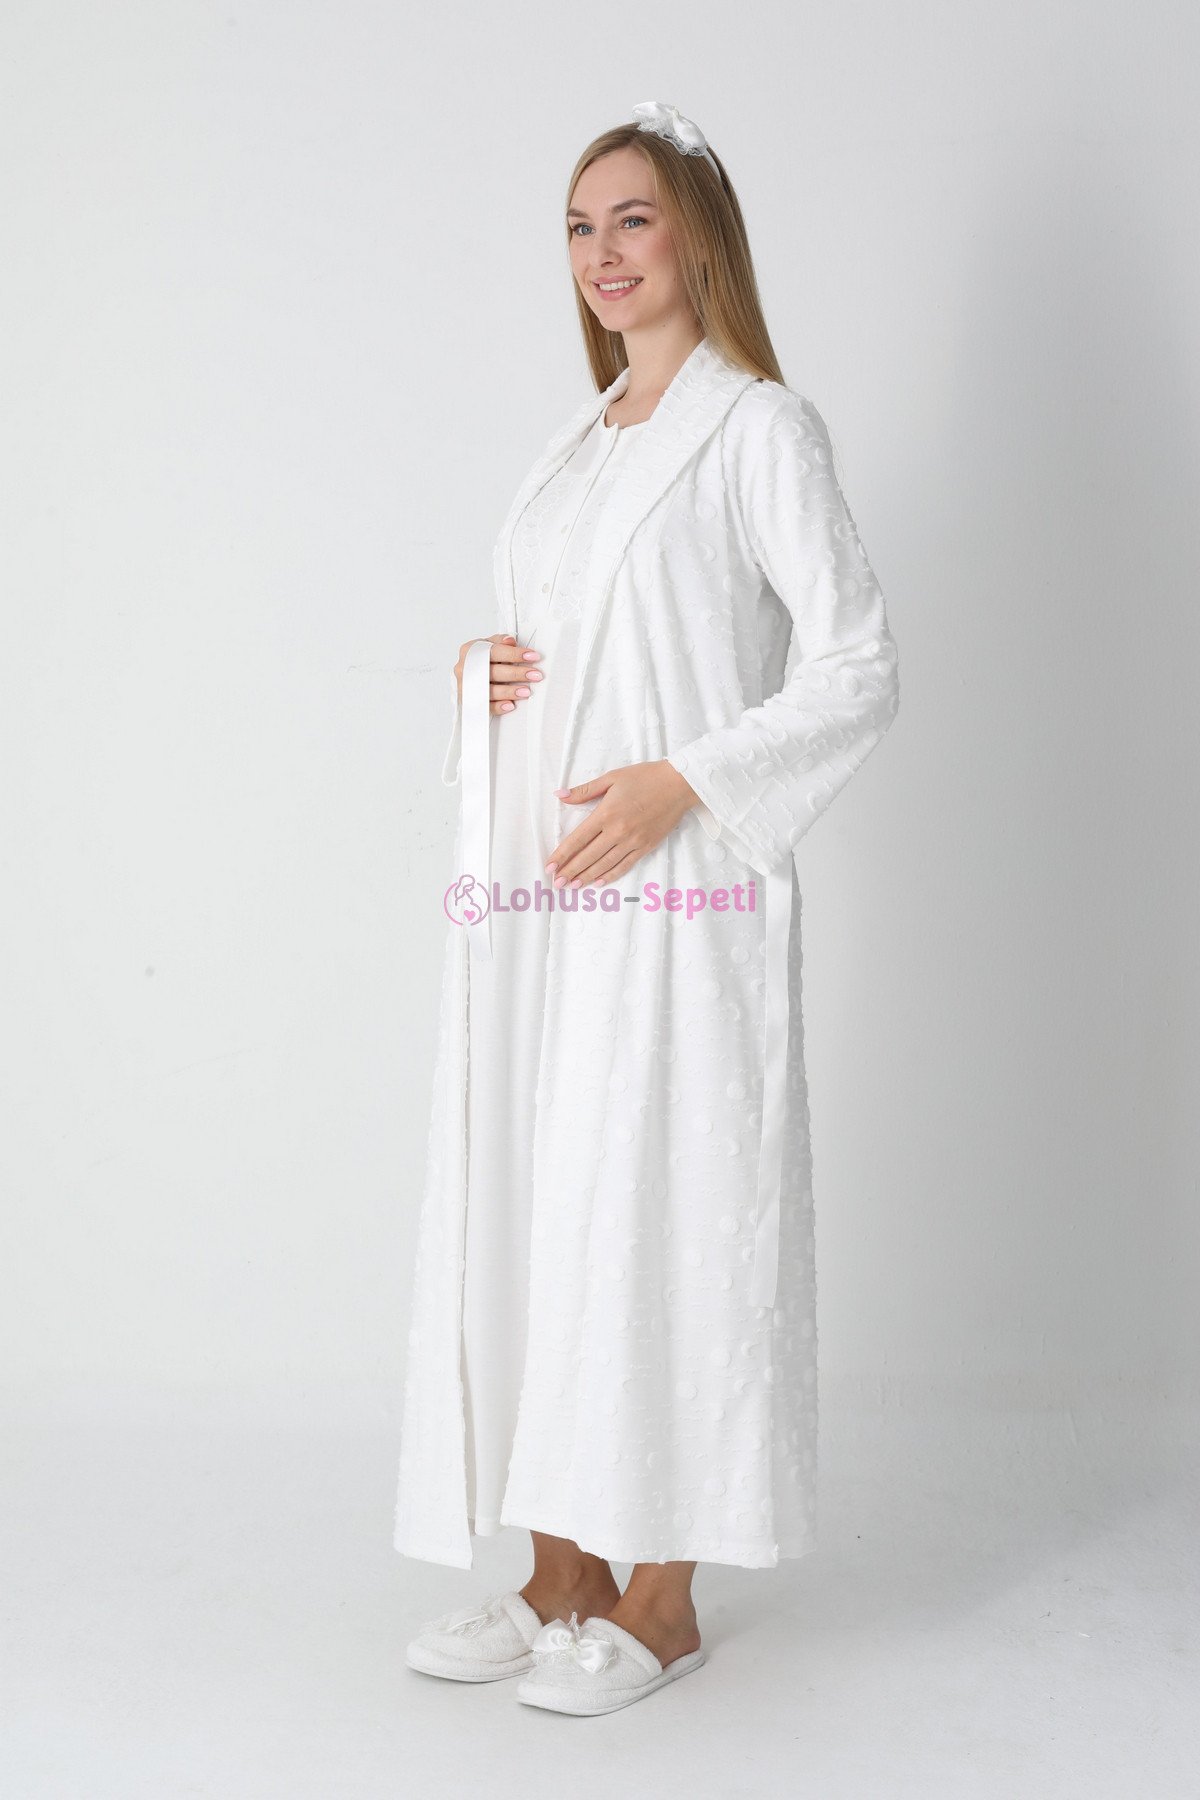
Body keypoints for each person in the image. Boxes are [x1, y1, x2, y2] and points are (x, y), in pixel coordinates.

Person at [395, 100, 900, 1716]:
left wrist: (685, 779)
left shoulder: (760, 430)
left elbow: (856, 667)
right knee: (552, 1203)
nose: (601, 252)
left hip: (681, 900)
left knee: (670, 1204)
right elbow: (569, 641)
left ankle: (664, 1597)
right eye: (577, 225)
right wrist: (482, 676)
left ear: (696, 236)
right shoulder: (583, 441)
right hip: (548, 907)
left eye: (631, 218)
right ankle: (561, 1573)